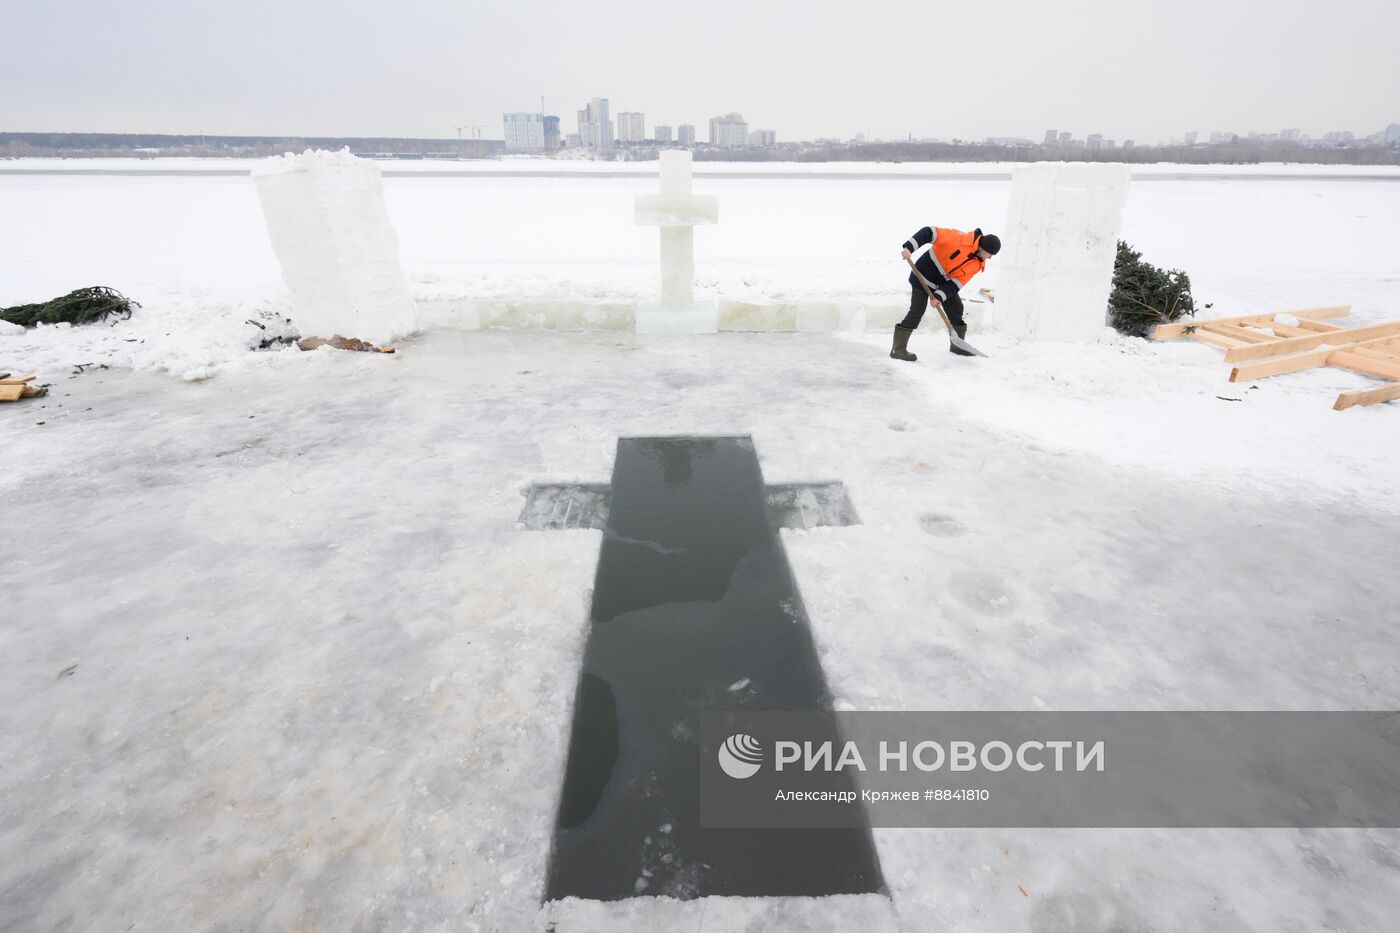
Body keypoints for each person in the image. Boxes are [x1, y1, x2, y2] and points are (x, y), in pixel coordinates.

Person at [892, 226, 1001, 361]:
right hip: (922, 276)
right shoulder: (959, 238)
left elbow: (955, 284)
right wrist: (909, 247)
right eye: (989, 254)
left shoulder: (977, 264)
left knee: (956, 308)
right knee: (917, 311)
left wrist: (938, 296)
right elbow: (929, 232)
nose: (989, 257)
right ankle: (898, 349)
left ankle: (958, 346)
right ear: (983, 248)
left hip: (941, 284)